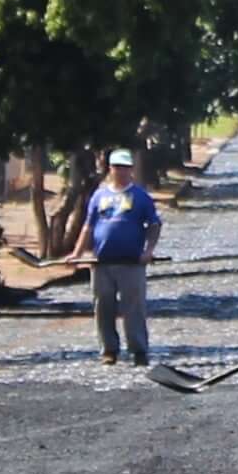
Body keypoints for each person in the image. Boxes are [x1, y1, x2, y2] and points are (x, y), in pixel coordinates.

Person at [79, 146, 163, 367]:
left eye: (125, 167)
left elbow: (154, 224)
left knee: (133, 307)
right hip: (102, 262)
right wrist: (77, 253)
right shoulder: (99, 195)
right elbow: (88, 226)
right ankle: (108, 350)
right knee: (103, 306)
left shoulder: (140, 196)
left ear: (131, 170)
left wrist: (148, 251)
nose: (121, 171)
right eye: (117, 167)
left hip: (131, 263)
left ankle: (139, 350)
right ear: (110, 169)